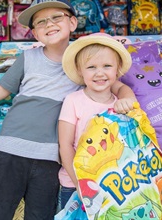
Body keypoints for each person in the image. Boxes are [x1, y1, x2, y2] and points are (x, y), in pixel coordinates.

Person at [0, 0, 136, 219]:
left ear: (72, 22)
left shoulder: (84, 61)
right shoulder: (28, 57)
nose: (49, 24)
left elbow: (118, 87)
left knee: (40, 215)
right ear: (34, 32)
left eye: (56, 17)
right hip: (9, 150)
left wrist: (127, 99)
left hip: (50, 158)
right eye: (41, 21)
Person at [56, 34, 133, 211]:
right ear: (80, 70)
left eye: (107, 66)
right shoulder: (73, 100)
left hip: (114, 187)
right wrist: (80, 185)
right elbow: (65, 146)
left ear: (117, 69)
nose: (100, 73)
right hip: (74, 185)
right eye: (91, 67)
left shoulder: (121, 105)